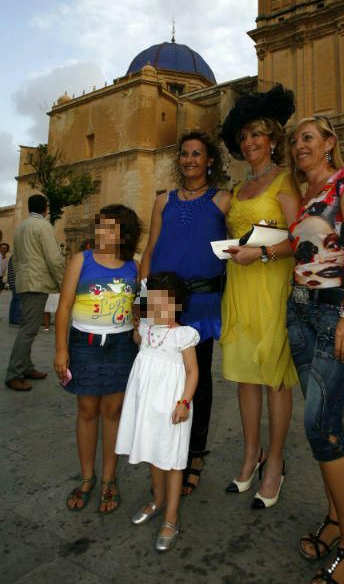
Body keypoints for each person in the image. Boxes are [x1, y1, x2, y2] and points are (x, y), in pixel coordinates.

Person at [286, 116, 344, 584]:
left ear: (328, 144)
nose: (299, 145)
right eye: (294, 139)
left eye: (308, 138)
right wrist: (257, 252)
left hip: (334, 312)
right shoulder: (304, 199)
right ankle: (338, 519)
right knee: (324, 426)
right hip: (298, 311)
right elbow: (299, 250)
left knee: (322, 426)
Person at [135, 130, 229, 511]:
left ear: (210, 161)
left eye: (198, 154)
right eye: (185, 154)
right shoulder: (163, 200)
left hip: (204, 299)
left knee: (198, 377)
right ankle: (163, 447)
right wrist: (141, 299)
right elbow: (151, 247)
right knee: (159, 372)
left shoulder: (224, 199)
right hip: (162, 298)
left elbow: (238, 244)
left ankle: (195, 453)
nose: (190, 160)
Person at [220, 84, 300, 509]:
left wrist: (263, 251)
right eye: (244, 137)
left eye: (257, 134)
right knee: (245, 375)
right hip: (240, 285)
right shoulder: (237, 189)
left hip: (271, 286)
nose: (249, 142)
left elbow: (302, 239)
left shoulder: (285, 180)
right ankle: (250, 456)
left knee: (274, 377)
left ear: (272, 138)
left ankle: (276, 462)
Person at [54, 204, 142, 514]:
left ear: (125, 234)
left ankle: (108, 480)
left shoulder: (135, 265)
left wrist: (139, 326)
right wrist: (61, 350)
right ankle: (88, 476)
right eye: (101, 225)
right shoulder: (81, 260)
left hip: (121, 346)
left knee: (113, 411)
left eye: (113, 227)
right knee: (88, 409)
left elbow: (140, 306)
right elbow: (63, 308)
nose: (105, 232)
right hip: (84, 345)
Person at [116, 272, 199, 551]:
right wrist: (137, 321)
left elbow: (192, 372)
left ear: (178, 305)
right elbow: (140, 341)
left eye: (166, 303)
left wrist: (184, 402)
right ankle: (158, 500)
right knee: (153, 452)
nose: (160, 309)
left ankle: (171, 517)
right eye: (154, 303)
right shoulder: (149, 330)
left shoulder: (183, 335)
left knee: (173, 460)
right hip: (147, 403)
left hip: (172, 406)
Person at [5, 195, 64, 392]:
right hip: (37, 283)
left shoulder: (20, 227)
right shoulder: (44, 226)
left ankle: (26, 366)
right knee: (28, 329)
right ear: (45, 209)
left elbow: (16, 258)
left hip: (25, 281)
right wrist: (64, 282)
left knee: (27, 326)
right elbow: (54, 258)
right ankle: (14, 373)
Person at [7, 256, 21, 325]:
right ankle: (17, 319)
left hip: (13, 281)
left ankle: (12, 319)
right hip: (16, 281)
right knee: (18, 300)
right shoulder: (16, 257)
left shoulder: (13, 256)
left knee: (14, 300)